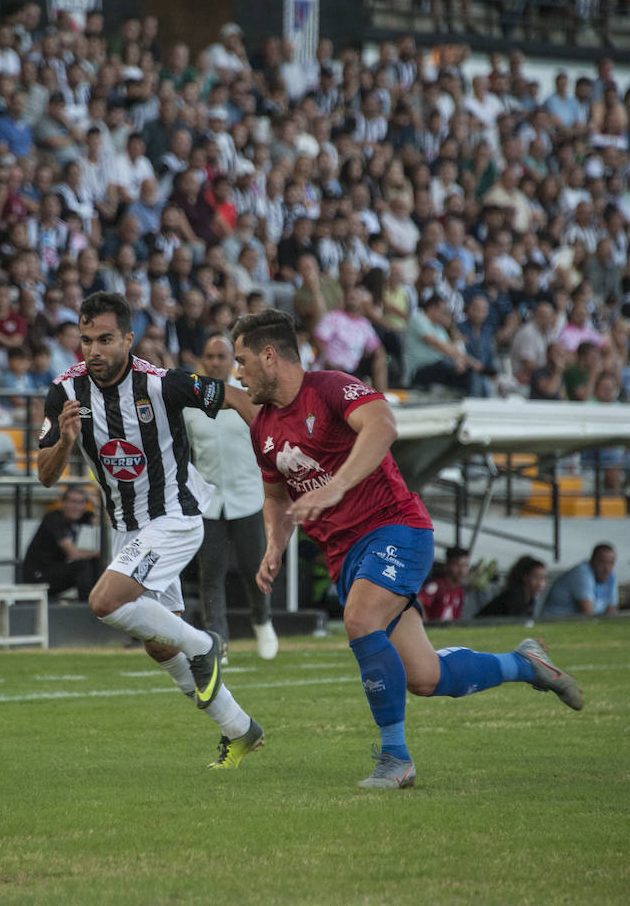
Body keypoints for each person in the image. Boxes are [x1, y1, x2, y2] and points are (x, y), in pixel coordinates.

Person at [230, 309, 581, 789]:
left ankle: (396, 759)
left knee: (359, 620)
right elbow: (275, 497)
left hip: (395, 527)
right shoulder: (263, 428)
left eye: (243, 360)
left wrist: (336, 487)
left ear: (270, 355)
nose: (237, 372)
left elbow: (383, 427)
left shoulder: (330, 386)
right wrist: (275, 543)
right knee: (426, 676)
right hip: (345, 556)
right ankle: (525, 664)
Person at [35, 291, 264, 769]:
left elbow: (238, 398)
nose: (93, 350)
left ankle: (206, 646)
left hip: (175, 518)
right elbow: (45, 475)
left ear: (128, 339)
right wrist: (66, 442)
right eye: (85, 340)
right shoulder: (64, 392)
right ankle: (240, 729)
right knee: (160, 643)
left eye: (104, 339)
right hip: (127, 529)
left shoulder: (164, 384)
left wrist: (276, 456)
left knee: (103, 602)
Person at [182, 334, 278, 661]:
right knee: (211, 575)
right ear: (203, 361)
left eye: (222, 356)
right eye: (209, 356)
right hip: (208, 503)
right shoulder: (190, 405)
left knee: (256, 568)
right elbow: (185, 454)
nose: (215, 362)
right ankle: (217, 641)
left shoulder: (250, 399)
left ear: (232, 361)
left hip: (248, 497)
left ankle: (262, 620)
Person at [18, 485, 100, 602]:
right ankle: (87, 605)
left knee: (96, 563)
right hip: (37, 577)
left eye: (81, 502)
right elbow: (74, 554)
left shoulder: (78, 516)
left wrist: (93, 500)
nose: (76, 507)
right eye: (72, 502)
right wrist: (97, 553)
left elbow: (108, 519)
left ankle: (98, 602)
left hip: (54, 571)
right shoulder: (53, 518)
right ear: (62, 503)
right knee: (82, 565)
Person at [542, 544, 618, 617]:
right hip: (552, 622)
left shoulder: (610, 576)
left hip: (574, 625)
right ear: (592, 560)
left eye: (611, 563)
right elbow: (588, 614)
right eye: (602, 562)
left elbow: (611, 612)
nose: (607, 568)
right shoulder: (581, 573)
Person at [476, 555, 547, 619]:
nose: (541, 583)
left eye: (543, 578)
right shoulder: (515, 597)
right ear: (525, 577)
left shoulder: (530, 599)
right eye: (536, 577)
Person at [417, 546, 469, 623]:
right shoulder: (436, 585)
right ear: (447, 565)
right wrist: (425, 624)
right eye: (457, 565)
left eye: (465, 565)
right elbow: (419, 601)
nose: (461, 570)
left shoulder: (460, 590)